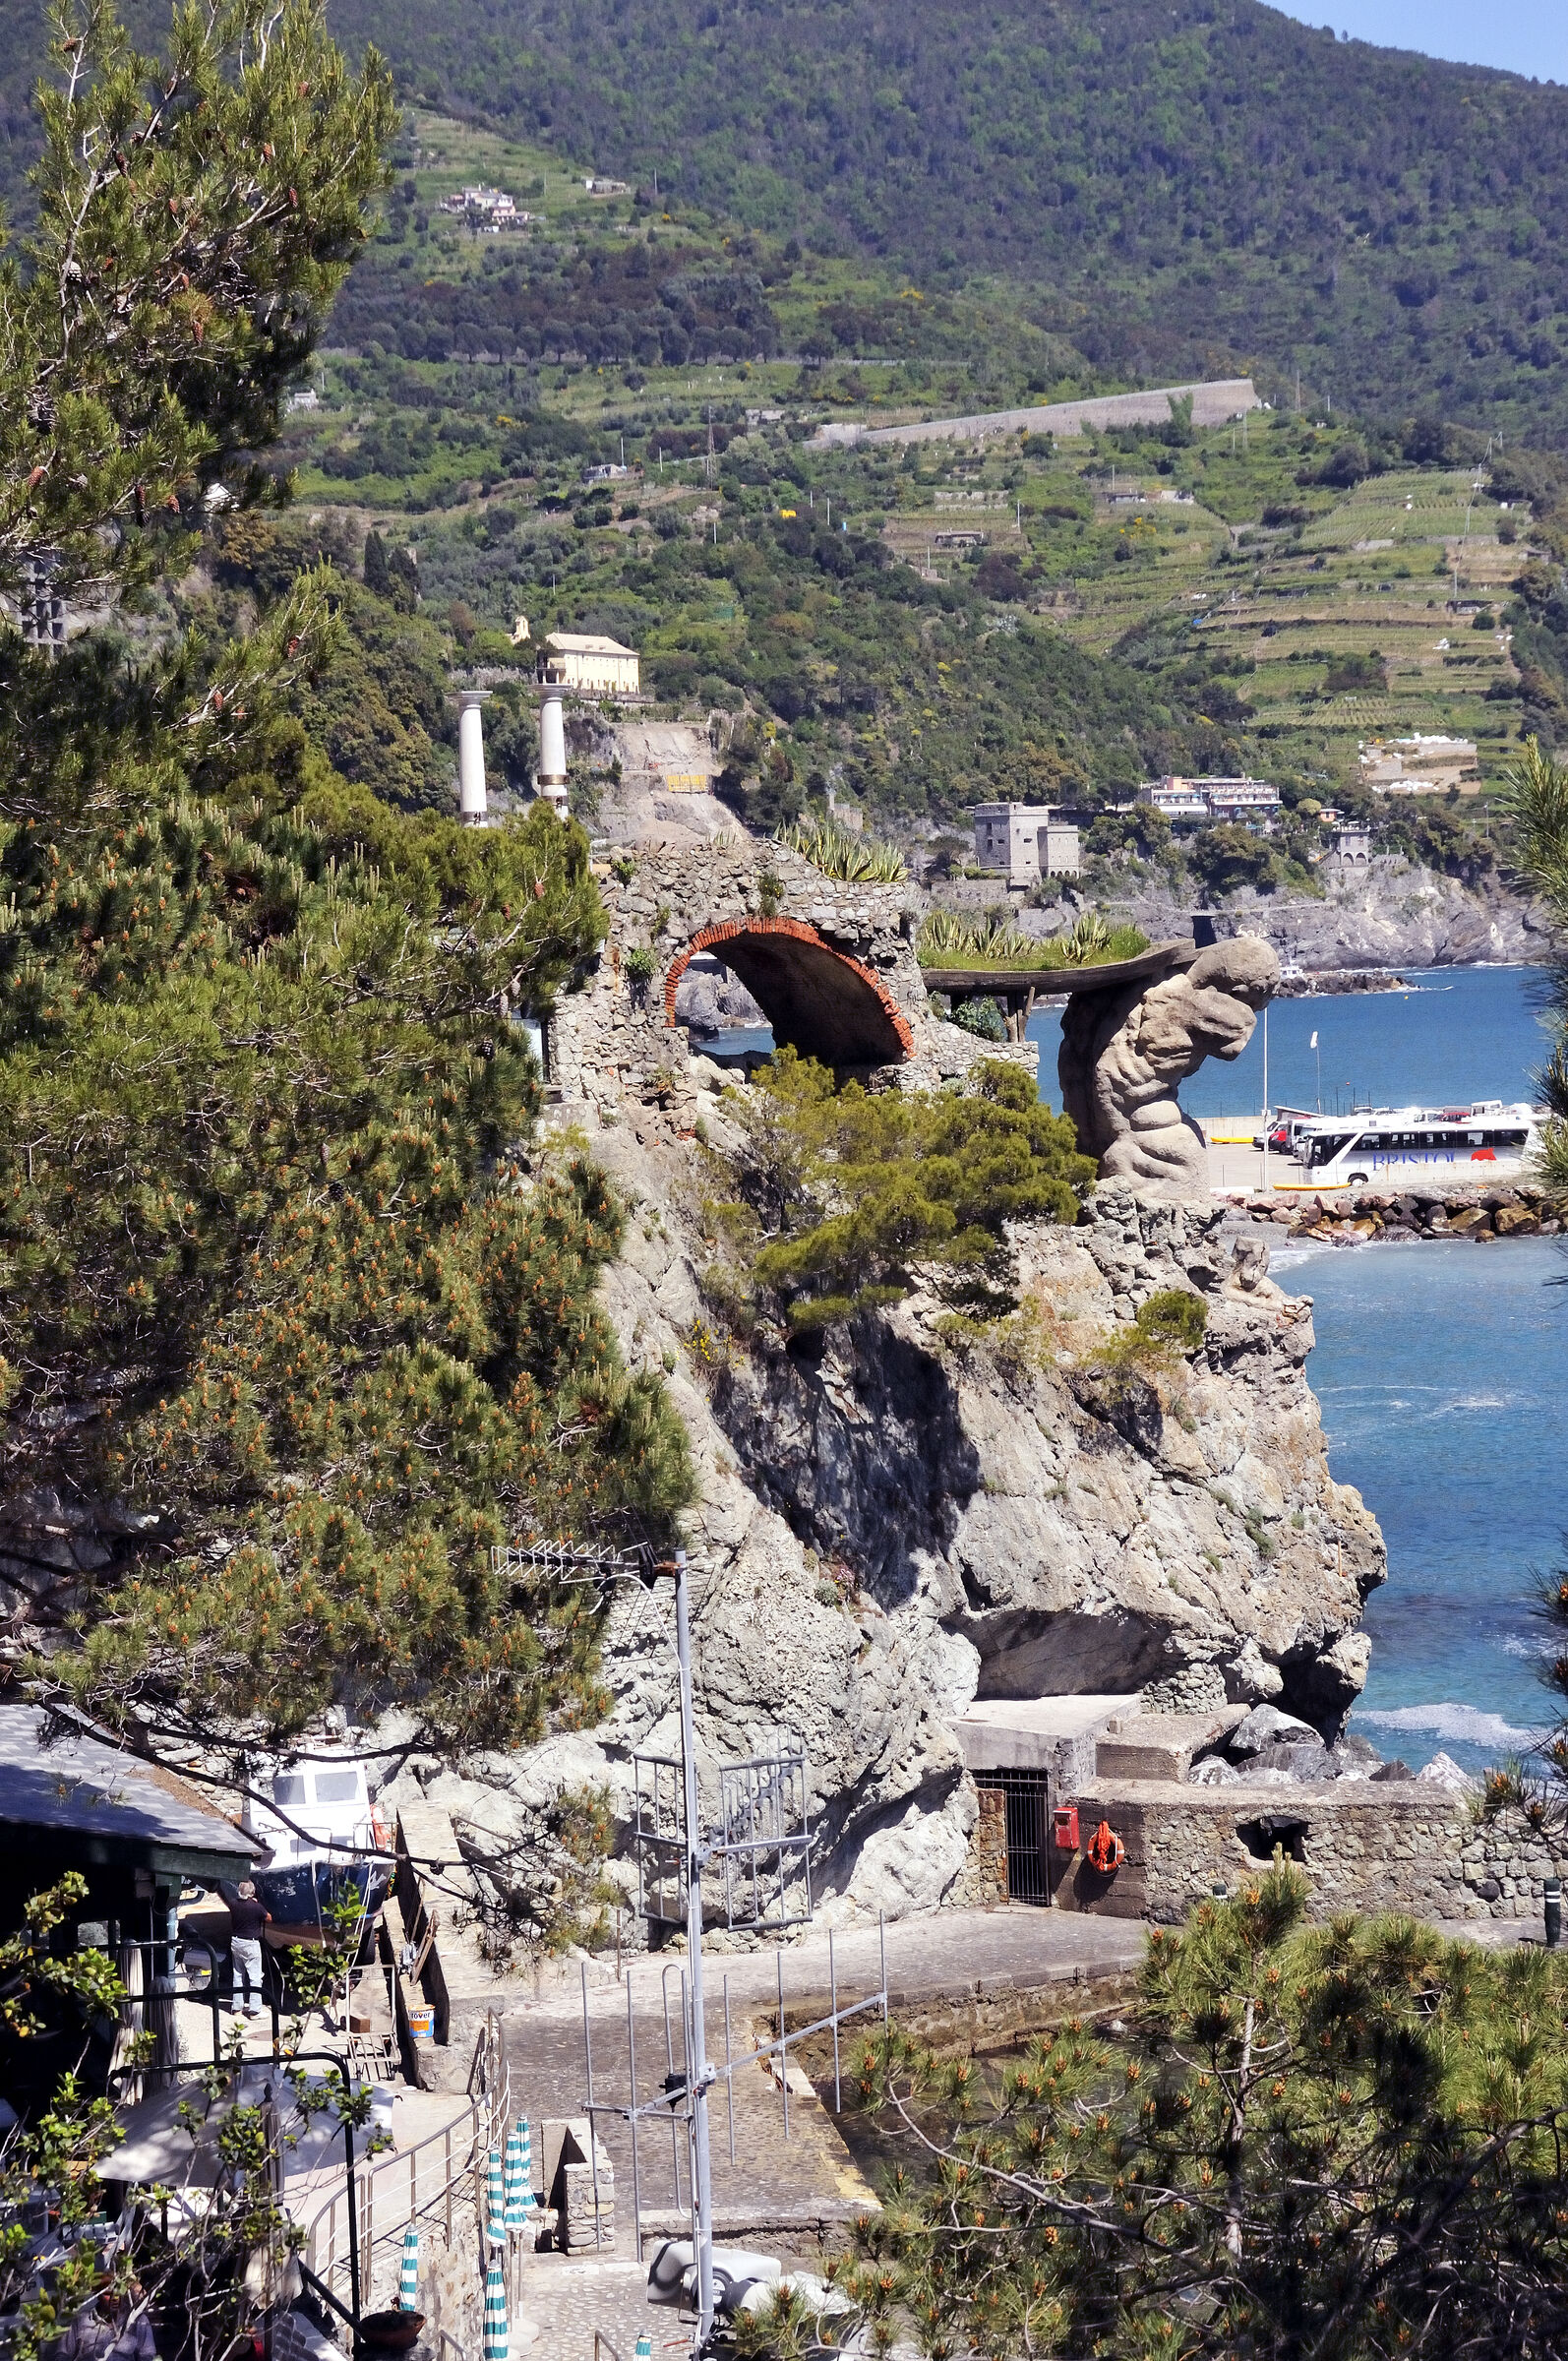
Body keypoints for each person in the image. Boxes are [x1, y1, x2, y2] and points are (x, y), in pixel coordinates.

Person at [227, 1880, 272, 2018]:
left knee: (238, 1975)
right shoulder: (256, 1907)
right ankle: (255, 2010)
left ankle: (236, 2008)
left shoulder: (233, 1904)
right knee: (255, 1977)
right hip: (250, 1944)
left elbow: (240, 1904)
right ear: (252, 1892)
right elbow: (269, 1918)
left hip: (235, 1941)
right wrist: (255, 1902)